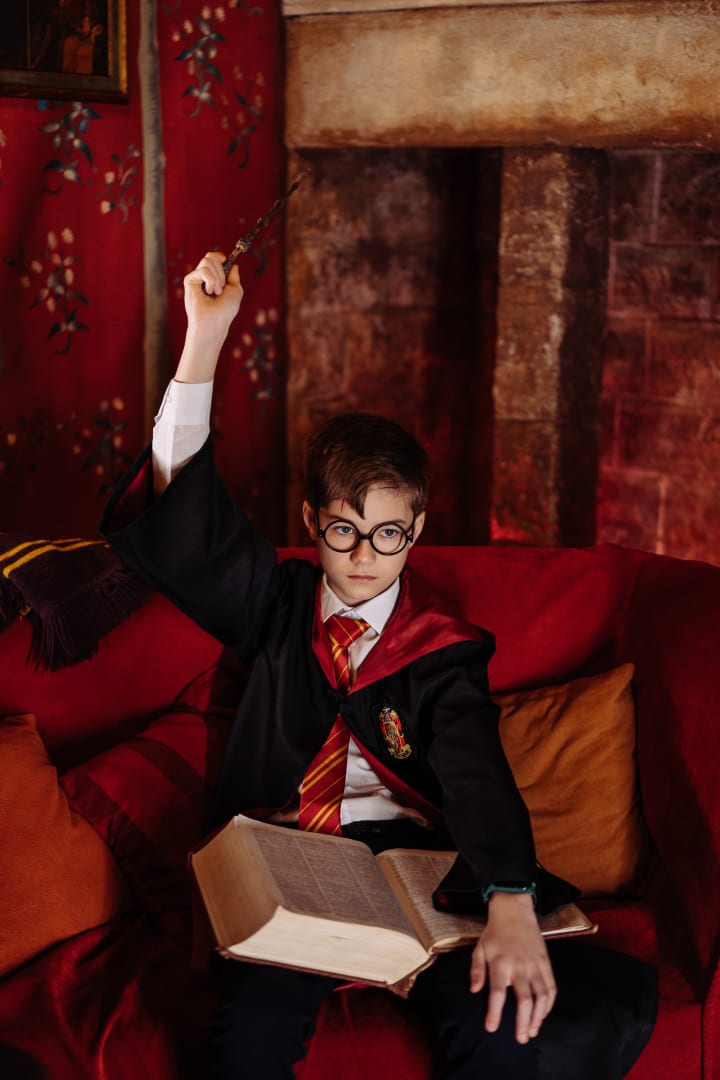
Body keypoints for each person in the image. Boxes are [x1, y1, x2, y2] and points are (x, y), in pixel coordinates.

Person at [102, 253, 656, 1079]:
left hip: (415, 866)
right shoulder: (276, 604)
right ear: (311, 523)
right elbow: (187, 512)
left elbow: (475, 772)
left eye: (388, 533)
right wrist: (205, 339)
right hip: (289, 853)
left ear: (417, 530)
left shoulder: (442, 645)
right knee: (249, 1033)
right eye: (343, 530)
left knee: (498, 1025)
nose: (364, 557)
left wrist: (508, 896)